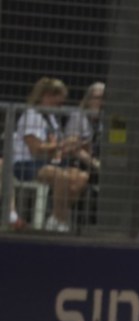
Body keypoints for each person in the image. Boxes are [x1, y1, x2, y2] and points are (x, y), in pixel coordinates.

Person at [12, 77, 89, 232]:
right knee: (62, 176)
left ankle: (54, 218)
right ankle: (60, 221)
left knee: (81, 177)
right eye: (58, 102)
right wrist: (61, 144)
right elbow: (36, 148)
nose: (61, 106)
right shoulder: (31, 116)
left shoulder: (52, 118)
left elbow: (55, 147)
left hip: (49, 162)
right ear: (46, 96)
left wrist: (71, 144)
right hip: (27, 163)